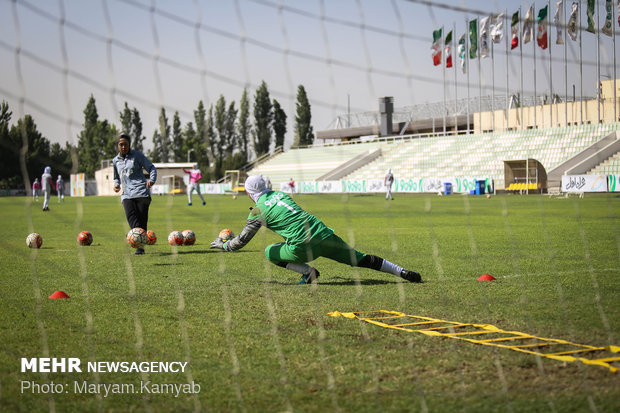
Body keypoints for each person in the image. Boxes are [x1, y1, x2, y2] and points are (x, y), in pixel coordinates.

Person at [210, 175, 421, 284]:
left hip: (302, 246)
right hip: (324, 233)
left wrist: (224, 245)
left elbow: (240, 242)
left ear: (248, 193)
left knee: (269, 252)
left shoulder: (257, 212)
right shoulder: (282, 194)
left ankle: (308, 273)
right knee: (360, 258)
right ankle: (401, 271)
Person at [113, 133, 157, 255]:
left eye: (125, 144)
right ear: (117, 146)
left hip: (142, 192)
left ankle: (140, 247)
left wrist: (152, 180)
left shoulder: (137, 156)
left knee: (142, 222)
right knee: (131, 217)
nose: (123, 147)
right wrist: (116, 184)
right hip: (127, 194)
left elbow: (151, 168)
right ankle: (136, 239)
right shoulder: (115, 161)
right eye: (121, 144)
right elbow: (116, 177)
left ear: (129, 145)